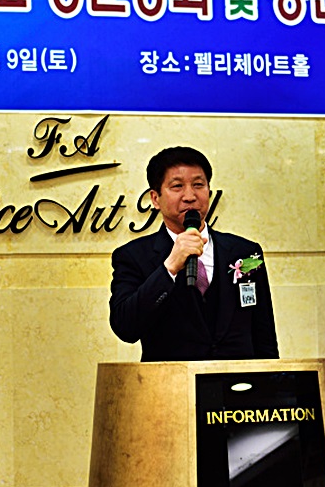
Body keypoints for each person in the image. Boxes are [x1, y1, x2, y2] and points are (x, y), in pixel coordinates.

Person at [109, 146, 279, 361]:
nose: (189, 196)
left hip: (237, 379)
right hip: (171, 379)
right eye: (177, 186)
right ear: (155, 198)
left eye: (198, 185)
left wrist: (272, 378)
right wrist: (169, 268)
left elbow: (264, 333)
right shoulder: (133, 256)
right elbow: (125, 327)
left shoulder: (245, 252)